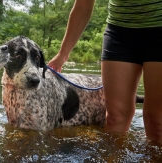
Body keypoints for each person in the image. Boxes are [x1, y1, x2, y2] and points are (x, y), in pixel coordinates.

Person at [48, 0, 162, 143]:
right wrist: (63, 54)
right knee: (115, 118)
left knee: (157, 122)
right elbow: (83, 5)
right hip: (119, 33)